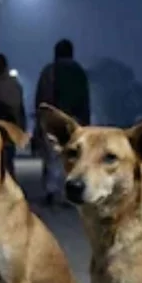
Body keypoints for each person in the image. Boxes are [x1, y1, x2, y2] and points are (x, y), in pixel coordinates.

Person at [34, 39, 91, 207]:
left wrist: (41, 120)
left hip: (54, 121)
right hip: (76, 122)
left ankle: (52, 191)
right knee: (72, 157)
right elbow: (86, 100)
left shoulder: (49, 71)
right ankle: (69, 193)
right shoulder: (80, 72)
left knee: (52, 157)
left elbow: (42, 97)